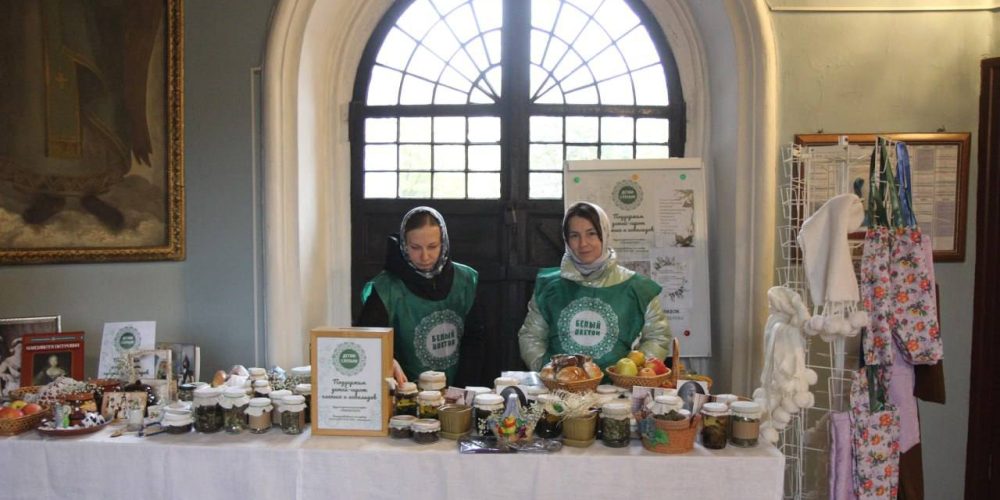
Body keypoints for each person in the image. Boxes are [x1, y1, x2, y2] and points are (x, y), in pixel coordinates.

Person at [518, 201, 671, 372]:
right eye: (574, 235)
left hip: (617, 394)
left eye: (591, 233)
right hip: (560, 391)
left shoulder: (638, 288)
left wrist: (634, 373)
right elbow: (531, 336)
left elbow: (658, 336)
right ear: (566, 239)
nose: (583, 243)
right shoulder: (549, 287)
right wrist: (548, 371)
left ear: (604, 234)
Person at [357, 206, 485, 387]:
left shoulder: (466, 280)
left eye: (432, 246)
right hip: (404, 394)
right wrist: (388, 363)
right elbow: (369, 343)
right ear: (403, 244)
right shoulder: (386, 288)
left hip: (457, 392)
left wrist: (461, 392)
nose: (425, 256)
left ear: (444, 243)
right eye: (415, 247)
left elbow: (474, 340)